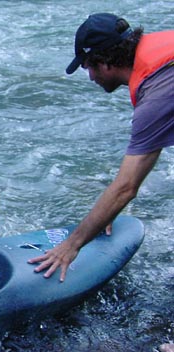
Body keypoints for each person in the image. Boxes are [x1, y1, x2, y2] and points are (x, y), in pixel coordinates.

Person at [29, 13, 174, 281]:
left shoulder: (155, 94)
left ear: (105, 62)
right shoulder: (163, 47)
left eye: (87, 67)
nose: (91, 77)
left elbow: (126, 187)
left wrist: (70, 246)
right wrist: (108, 210)